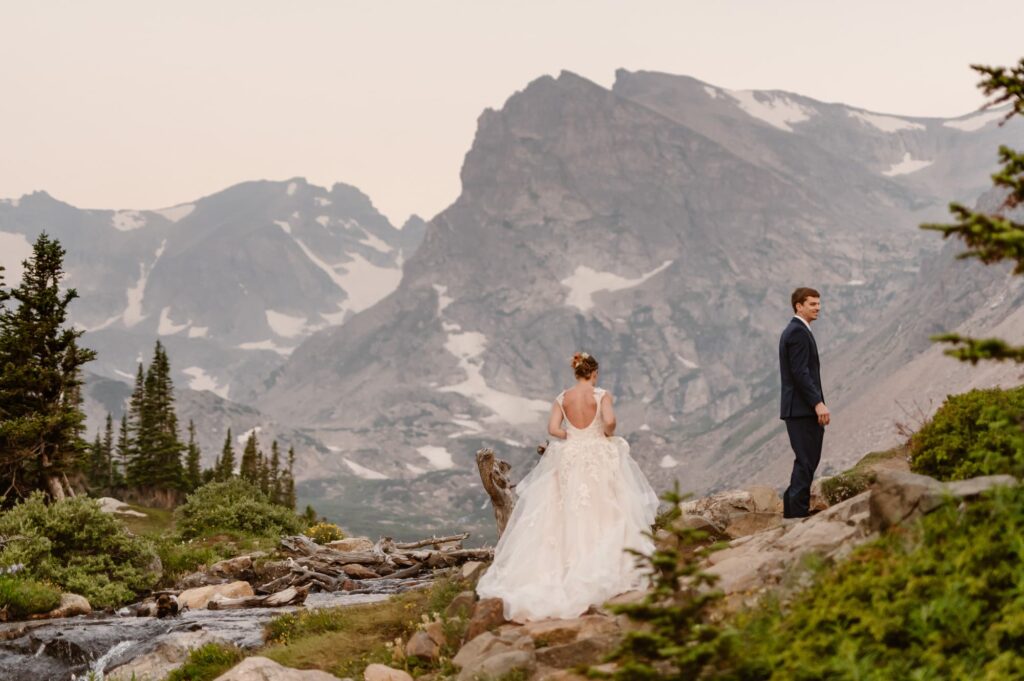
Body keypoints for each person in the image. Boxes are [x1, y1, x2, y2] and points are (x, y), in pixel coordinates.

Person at [476, 352, 659, 622]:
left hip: (571, 455)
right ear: (593, 374)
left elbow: (552, 429)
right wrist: (602, 433)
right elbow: (609, 423)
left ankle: (565, 566)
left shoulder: (563, 398)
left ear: (576, 373)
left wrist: (571, 434)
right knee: (605, 503)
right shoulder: (601, 395)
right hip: (597, 452)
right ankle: (604, 564)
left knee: (567, 509)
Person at [779, 287, 829, 519]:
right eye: (812, 304)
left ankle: (791, 511)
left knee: (806, 459)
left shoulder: (798, 330)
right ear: (799, 306)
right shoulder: (797, 332)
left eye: (818, 304)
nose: (818, 308)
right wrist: (817, 403)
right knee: (807, 460)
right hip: (801, 409)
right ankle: (797, 515)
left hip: (799, 408)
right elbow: (800, 373)